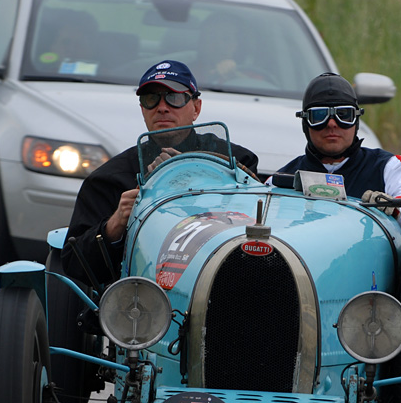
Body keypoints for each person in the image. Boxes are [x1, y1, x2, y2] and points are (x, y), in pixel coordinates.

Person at [60, 60, 259, 285]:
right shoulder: (110, 179)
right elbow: (72, 263)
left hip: (224, 280)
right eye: (151, 98)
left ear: (196, 107)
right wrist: (114, 225)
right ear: (142, 109)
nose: (162, 107)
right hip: (140, 300)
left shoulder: (238, 162)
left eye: (174, 97)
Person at [276, 72, 401, 232]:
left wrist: (395, 209)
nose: (332, 123)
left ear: (357, 120)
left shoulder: (392, 167)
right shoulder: (280, 180)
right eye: (319, 115)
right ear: (305, 122)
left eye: (344, 115)